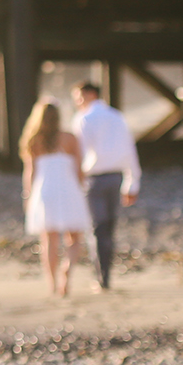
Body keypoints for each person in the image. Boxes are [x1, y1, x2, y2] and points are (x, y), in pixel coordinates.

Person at [72, 81, 142, 291]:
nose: (77, 103)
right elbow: (129, 150)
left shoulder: (83, 119)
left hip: (93, 180)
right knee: (109, 229)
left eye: (79, 97)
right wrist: (133, 182)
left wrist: (74, 182)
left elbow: (79, 154)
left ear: (90, 94)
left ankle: (102, 277)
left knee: (98, 228)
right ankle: (105, 275)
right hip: (116, 178)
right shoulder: (117, 116)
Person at [20, 98, 93, 298]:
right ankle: (66, 272)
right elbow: (80, 170)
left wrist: (28, 196)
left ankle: (52, 283)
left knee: (49, 240)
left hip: (45, 192)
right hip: (69, 190)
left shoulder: (34, 140)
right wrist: (82, 189)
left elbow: (30, 173)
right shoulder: (70, 138)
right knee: (74, 237)